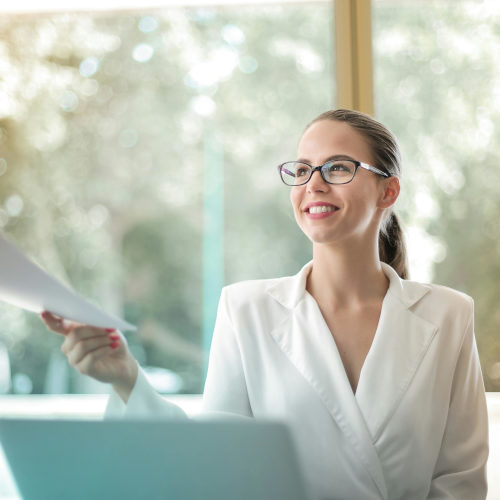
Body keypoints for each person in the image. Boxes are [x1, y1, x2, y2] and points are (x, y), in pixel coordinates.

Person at [41, 109, 489, 500]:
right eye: (301, 169)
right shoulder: (245, 310)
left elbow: (460, 481)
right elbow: (215, 465)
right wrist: (127, 379)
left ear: (388, 192)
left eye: (337, 168)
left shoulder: (448, 316)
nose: (313, 184)